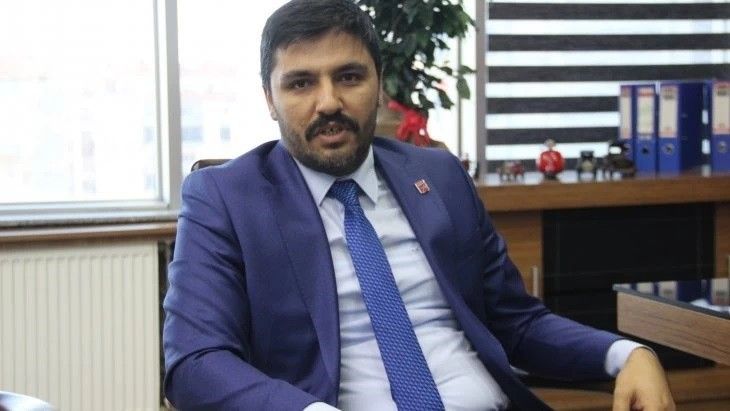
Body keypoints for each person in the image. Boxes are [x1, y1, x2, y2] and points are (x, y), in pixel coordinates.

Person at [162, 0, 675, 410]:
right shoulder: (225, 198)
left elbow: (516, 323)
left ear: (379, 84)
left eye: (349, 76)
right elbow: (195, 361)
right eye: (301, 83)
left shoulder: (440, 176)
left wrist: (627, 354)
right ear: (269, 99)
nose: (329, 102)